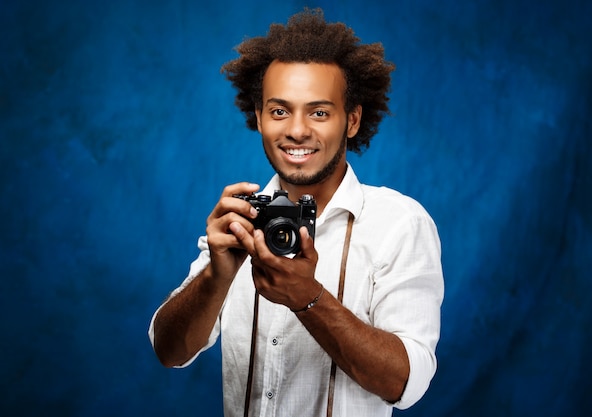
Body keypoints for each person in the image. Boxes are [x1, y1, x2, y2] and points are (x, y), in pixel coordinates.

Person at [149, 8, 444, 417]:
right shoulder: (241, 218)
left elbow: (406, 383)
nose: (297, 130)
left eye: (319, 112)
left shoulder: (400, 224)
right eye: (279, 110)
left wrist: (309, 299)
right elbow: (169, 352)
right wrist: (217, 276)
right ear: (259, 117)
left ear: (352, 119)